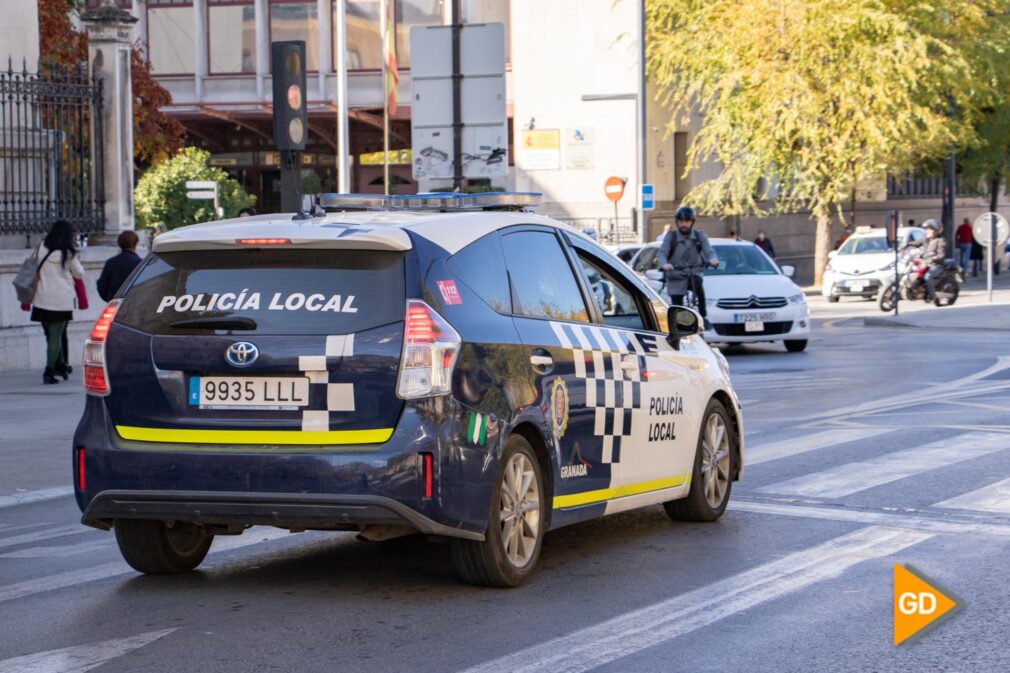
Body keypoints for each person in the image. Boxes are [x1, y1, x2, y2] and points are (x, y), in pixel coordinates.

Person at [31, 220, 86, 384]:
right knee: (56, 335)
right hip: (61, 299)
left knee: (50, 335)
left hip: (41, 297)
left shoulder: (41, 248)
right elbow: (79, 274)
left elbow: (33, 266)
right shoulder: (69, 253)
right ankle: (49, 370)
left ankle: (60, 364)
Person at [657, 206, 718, 326]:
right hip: (675, 274)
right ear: (677, 222)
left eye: (687, 221)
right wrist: (664, 264)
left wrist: (713, 260)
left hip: (694, 272)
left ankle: (703, 316)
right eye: (681, 222)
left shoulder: (700, 236)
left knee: (698, 285)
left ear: (692, 222)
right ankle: (678, 325)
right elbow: (662, 253)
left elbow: (709, 251)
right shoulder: (671, 236)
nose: (683, 224)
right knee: (677, 304)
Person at [97, 230, 142, 302]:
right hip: (135, 304)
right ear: (135, 244)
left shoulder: (110, 262)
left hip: (115, 304)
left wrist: (110, 299)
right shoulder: (140, 263)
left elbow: (101, 285)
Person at [919, 220, 947, 302]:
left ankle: (932, 295)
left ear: (935, 231)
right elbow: (917, 242)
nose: (926, 231)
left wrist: (935, 258)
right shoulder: (925, 240)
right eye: (926, 229)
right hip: (927, 263)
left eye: (929, 229)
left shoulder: (940, 240)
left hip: (937, 265)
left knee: (928, 276)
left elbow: (941, 254)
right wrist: (907, 245)